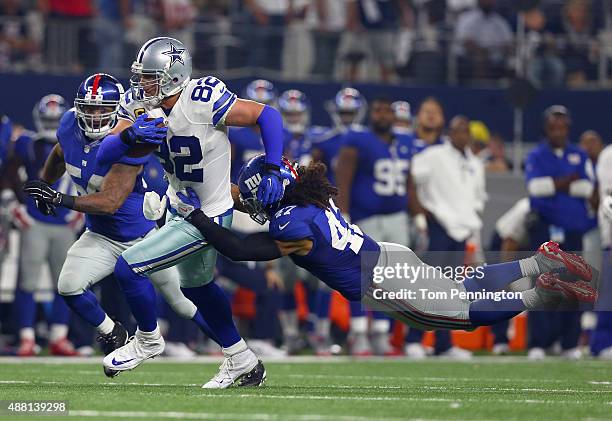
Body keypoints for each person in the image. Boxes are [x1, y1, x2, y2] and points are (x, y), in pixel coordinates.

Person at [174, 155, 597, 339]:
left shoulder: (290, 220)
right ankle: (536, 260)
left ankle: (539, 292)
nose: (252, 206)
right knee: (462, 290)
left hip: (382, 281)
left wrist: (192, 216)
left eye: (253, 199)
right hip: (389, 255)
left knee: (463, 315)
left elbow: (240, 248)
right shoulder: (310, 197)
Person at [86, 37, 284, 388]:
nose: (141, 84)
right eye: (141, 76)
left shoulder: (202, 99)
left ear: (174, 75)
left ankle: (148, 340)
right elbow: (102, 155)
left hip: (210, 213)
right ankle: (242, 359)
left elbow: (267, 115)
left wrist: (272, 167)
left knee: (128, 267)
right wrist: (130, 137)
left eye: (149, 77)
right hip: (182, 208)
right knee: (199, 288)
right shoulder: (140, 104)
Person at [21, 74, 213, 368]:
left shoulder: (130, 138)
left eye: (102, 109)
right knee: (69, 286)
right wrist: (43, 188)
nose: (95, 115)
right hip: (100, 236)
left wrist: (59, 199)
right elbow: (59, 154)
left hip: (144, 238)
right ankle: (115, 333)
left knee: (183, 303)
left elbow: (110, 203)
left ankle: (232, 349)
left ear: (117, 108)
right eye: (89, 108)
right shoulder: (69, 123)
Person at [335, 96, 413, 355]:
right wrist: (343, 211)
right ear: (371, 114)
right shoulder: (358, 139)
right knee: (363, 274)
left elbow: (410, 182)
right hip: (366, 216)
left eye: (386, 110)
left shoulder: (403, 142)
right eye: (377, 110)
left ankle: (382, 332)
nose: (382, 115)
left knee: (393, 278)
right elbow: (343, 175)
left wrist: (418, 217)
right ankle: (358, 332)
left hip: (397, 217)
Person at [8, 95, 80, 356]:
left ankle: (59, 337)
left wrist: (81, 209)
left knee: (66, 283)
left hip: (65, 220)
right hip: (35, 221)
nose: (50, 125)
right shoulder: (27, 144)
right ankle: (27, 337)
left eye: (55, 120)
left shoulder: (78, 142)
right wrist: (13, 205)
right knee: (27, 281)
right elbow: (9, 173)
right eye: (47, 119)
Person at [524, 105, 596, 360]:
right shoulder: (537, 154)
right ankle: (538, 342)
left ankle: (567, 342)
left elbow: (586, 188)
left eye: (562, 126)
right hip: (545, 230)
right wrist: (566, 181)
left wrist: (554, 184)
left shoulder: (578, 153)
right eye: (554, 126)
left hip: (573, 228)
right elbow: (535, 187)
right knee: (542, 283)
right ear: (546, 128)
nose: (558, 131)